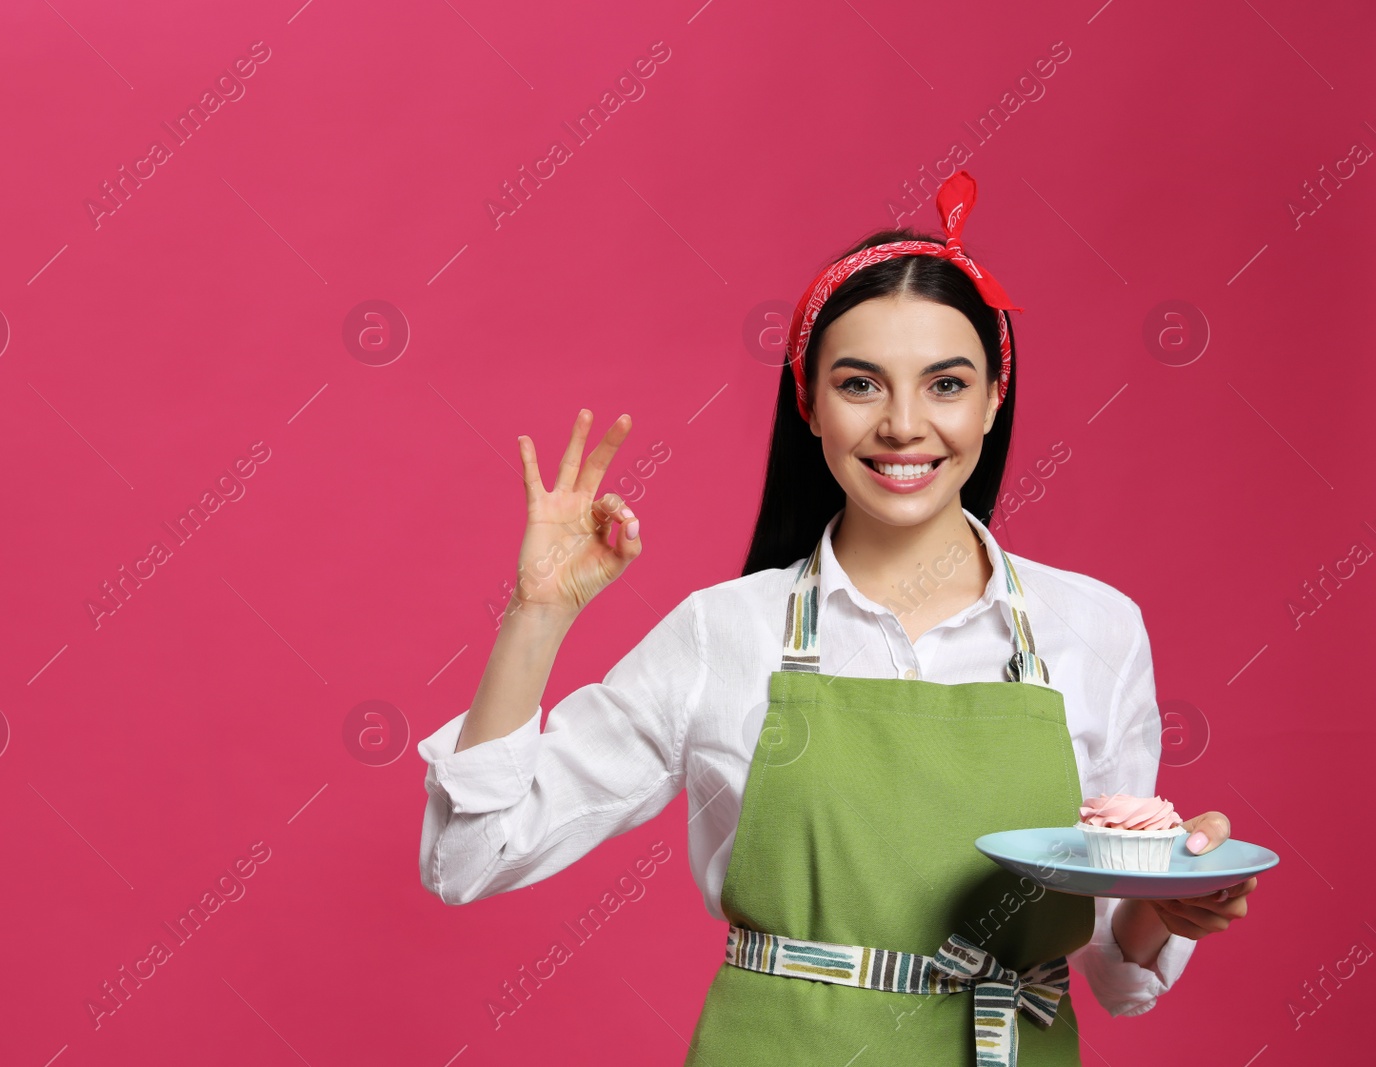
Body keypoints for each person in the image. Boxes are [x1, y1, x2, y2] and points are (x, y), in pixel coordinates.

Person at [417, 170, 1257, 1064]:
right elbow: (472, 859)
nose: (903, 424)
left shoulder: (1096, 628)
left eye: (945, 384)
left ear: (993, 398)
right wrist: (536, 615)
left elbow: (1117, 974)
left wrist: (1165, 909)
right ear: (810, 404)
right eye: (861, 384)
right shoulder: (724, 632)